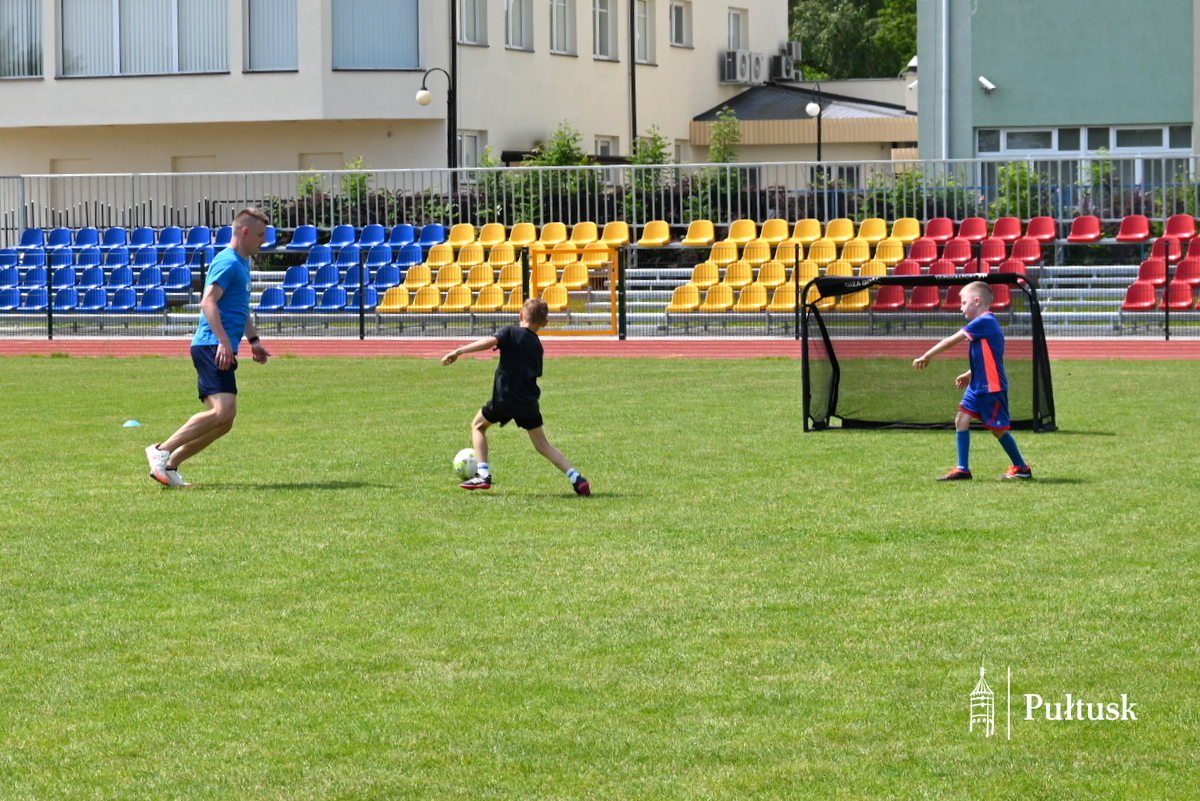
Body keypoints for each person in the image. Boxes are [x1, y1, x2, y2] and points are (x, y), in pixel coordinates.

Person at [145, 208, 272, 487]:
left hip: (218, 345)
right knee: (222, 413)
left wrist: (253, 341)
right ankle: (160, 450)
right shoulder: (227, 262)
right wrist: (225, 342)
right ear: (245, 232)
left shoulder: (241, 264)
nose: (264, 241)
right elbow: (208, 303)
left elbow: (239, 309)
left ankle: (170, 466)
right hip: (211, 345)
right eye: (261, 235)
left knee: (224, 421)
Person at [441, 297, 590, 495]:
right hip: (528, 401)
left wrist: (459, 351)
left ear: (521, 315)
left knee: (478, 426)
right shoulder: (537, 344)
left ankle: (483, 474)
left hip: (506, 398)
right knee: (543, 444)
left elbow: (488, 342)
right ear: (544, 323)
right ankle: (576, 478)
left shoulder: (509, 331)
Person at [912, 280, 1032, 481]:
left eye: (963, 302)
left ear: (977, 301)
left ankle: (1022, 468)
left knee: (998, 430)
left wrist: (927, 356)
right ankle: (962, 469)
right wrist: (970, 373)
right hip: (977, 385)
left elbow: (950, 340)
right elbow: (987, 356)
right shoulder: (986, 325)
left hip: (991, 387)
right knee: (961, 420)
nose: (961, 308)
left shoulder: (984, 322)